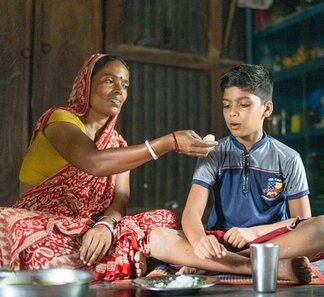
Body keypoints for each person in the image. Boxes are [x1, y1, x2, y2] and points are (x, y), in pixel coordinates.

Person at [0, 53, 216, 281]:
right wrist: (167, 143)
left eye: (124, 84)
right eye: (109, 80)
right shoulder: (59, 120)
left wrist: (106, 225)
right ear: (86, 85)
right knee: (5, 222)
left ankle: (117, 256)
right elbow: (93, 161)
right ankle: (128, 255)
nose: (118, 91)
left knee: (163, 218)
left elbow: (119, 201)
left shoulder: (118, 145)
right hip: (40, 228)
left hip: (88, 233)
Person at [172, 63, 324, 279]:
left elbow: (302, 220)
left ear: (267, 109)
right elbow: (191, 214)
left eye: (244, 104)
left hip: (271, 243)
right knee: (159, 237)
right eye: (226, 105)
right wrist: (200, 243)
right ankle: (246, 264)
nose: (233, 113)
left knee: (322, 227)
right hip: (220, 244)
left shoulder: (288, 158)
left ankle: (214, 265)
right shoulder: (214, 153)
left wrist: (254, 233)